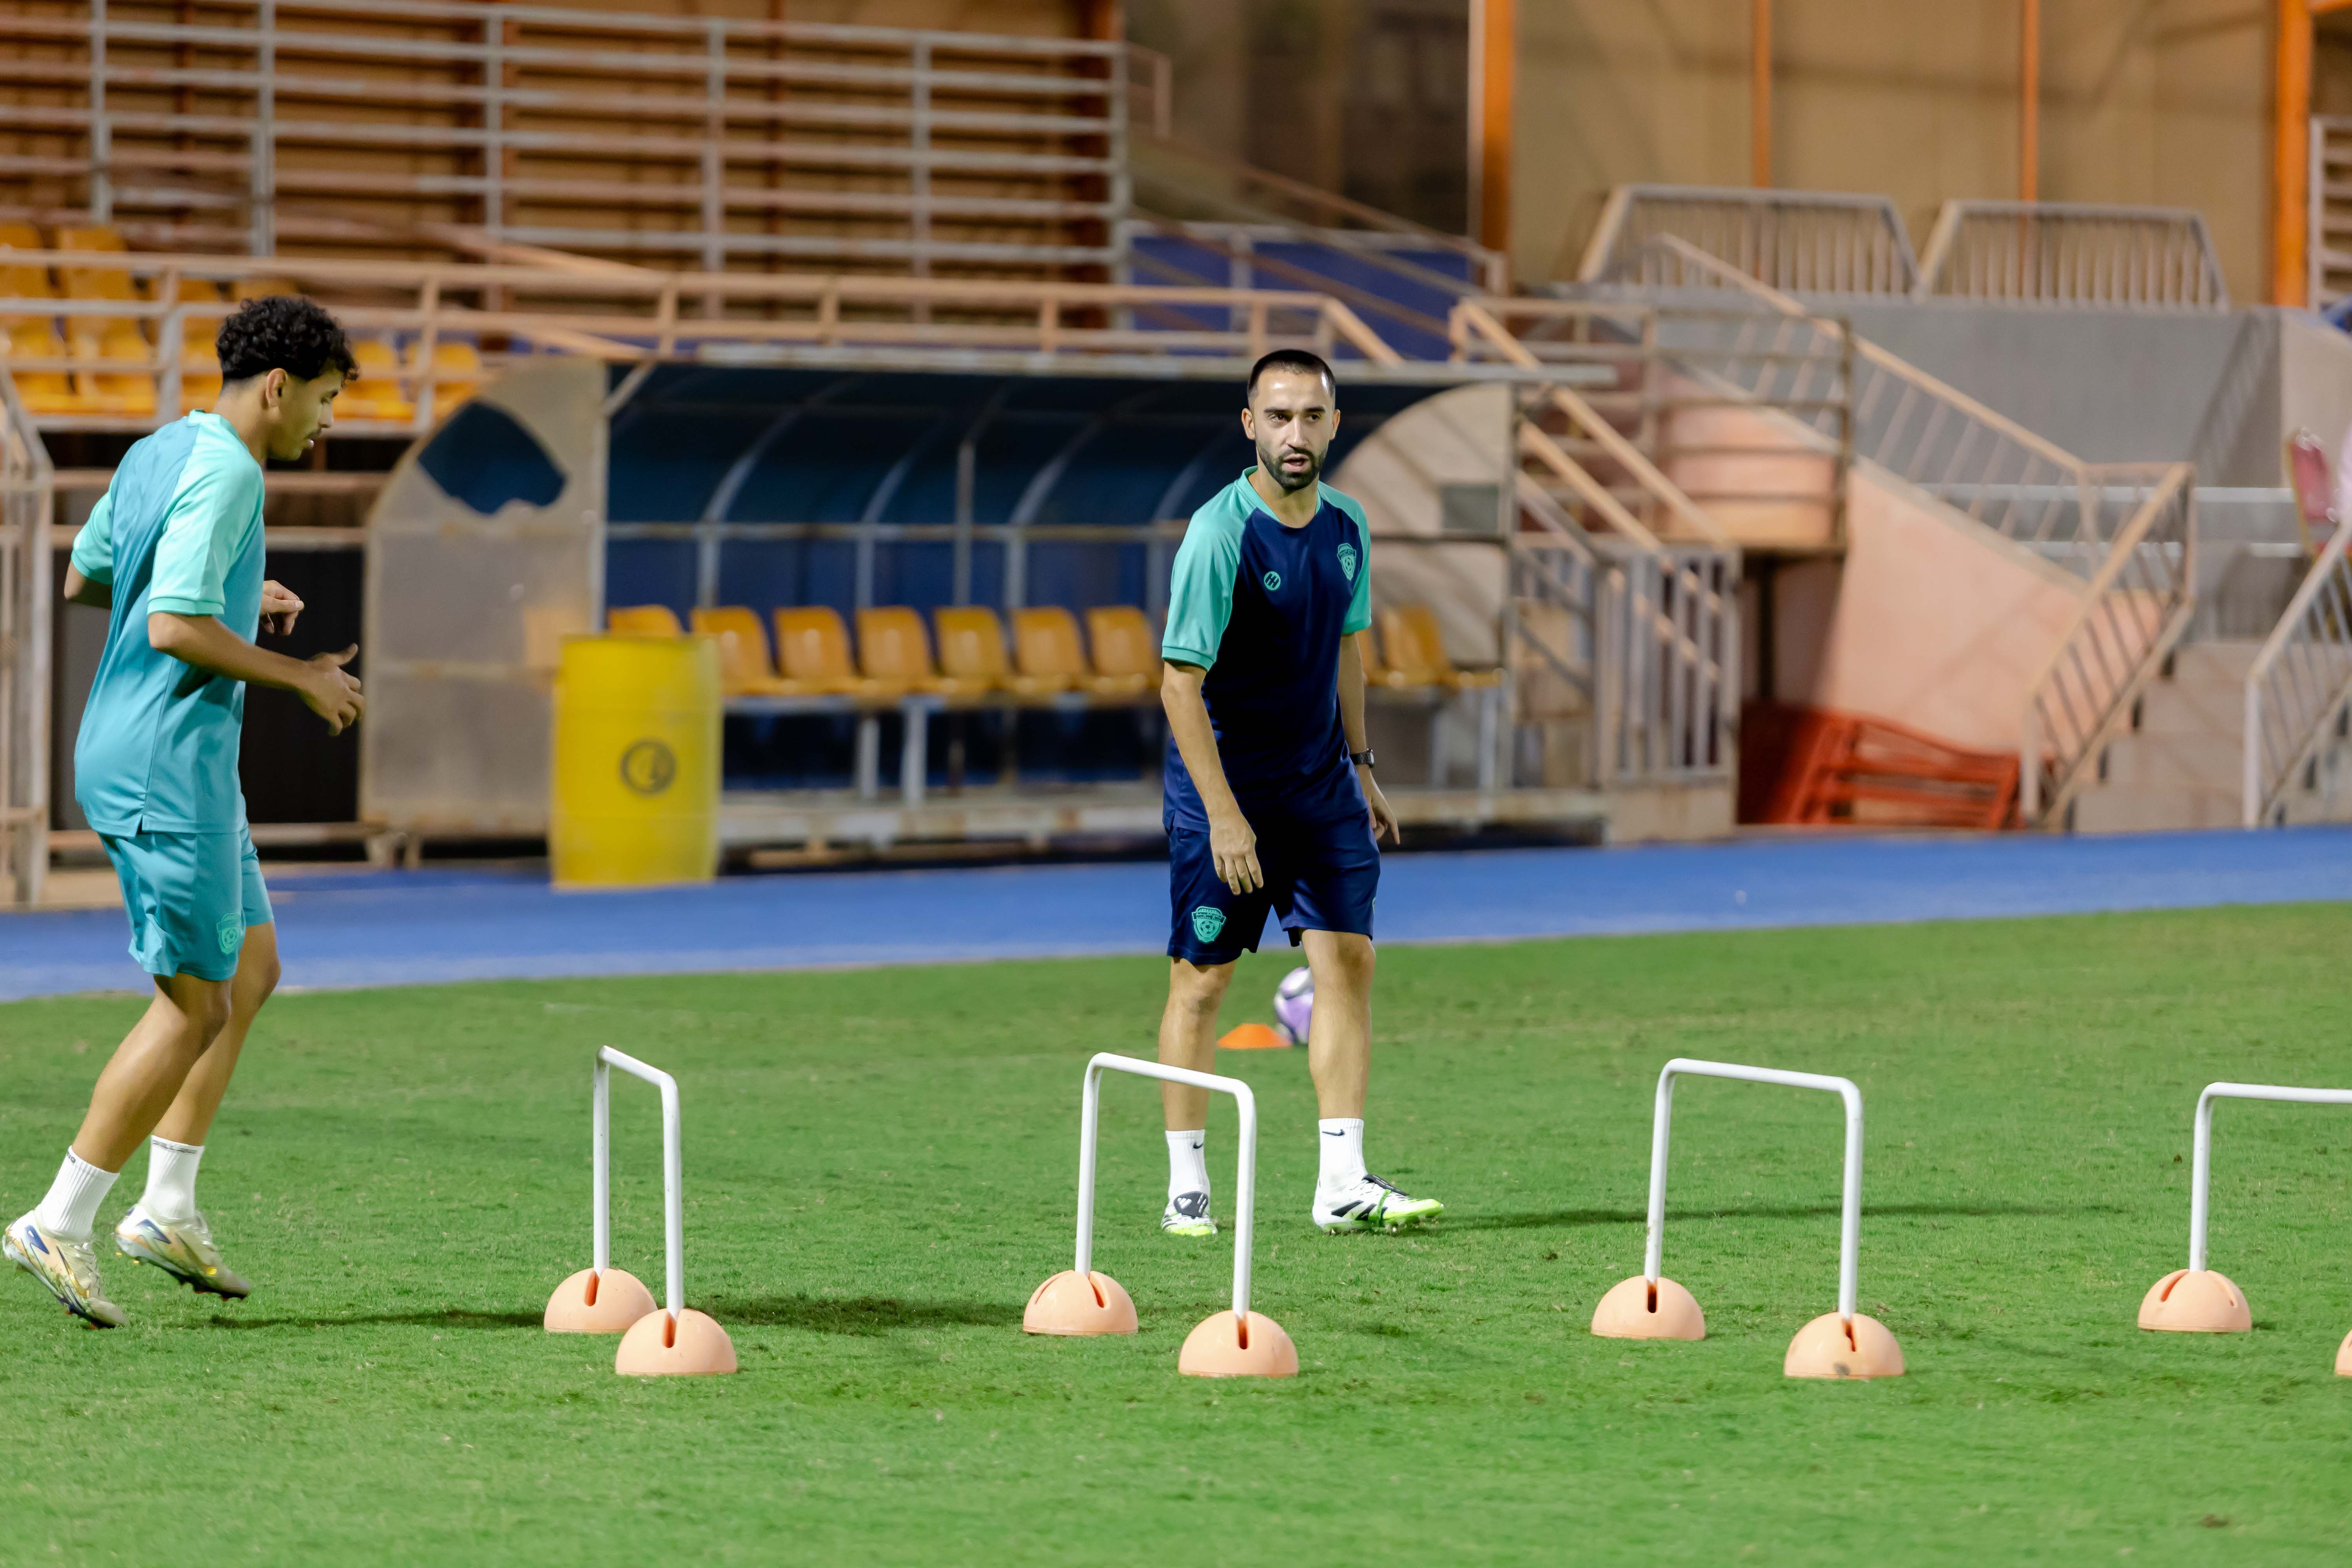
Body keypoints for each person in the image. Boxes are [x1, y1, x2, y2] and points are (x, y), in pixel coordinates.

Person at [6, 295, 362, 1327]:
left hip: (168, 760)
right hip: (165, 765)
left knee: (250, 969)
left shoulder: (163, 450)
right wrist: (294, 672)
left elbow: (87, 579)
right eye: (328, 400)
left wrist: (236, 597)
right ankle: (58, 1219)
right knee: (192, 1005)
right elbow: (168, 624)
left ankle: (167, 1205)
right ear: (278, 388)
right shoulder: (234, 471)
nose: (328, 422)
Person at [1153, 347, 1442, 1237]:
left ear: (1333, 425)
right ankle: (1187, 1185)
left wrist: (1361, 766)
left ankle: (1342, 1182)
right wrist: (1226, 816)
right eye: (1277, 417)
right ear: (1250, 426)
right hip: (1227, 795)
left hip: (1320, 788)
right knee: (1203, 981)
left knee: (1349, 961)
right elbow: (1177, 684)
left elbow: (1348, 651)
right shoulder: (1218, 532)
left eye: (1311, 417)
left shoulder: (1349, 525)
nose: (1295, 433)